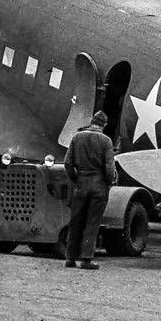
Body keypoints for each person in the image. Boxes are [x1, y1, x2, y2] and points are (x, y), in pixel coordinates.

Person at [63, 110, 118, 270]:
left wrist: (77, 179)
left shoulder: (77, 137)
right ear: (104, 125)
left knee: (75, 222)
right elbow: (109, 168)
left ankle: (70, 258)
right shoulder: (106, 141)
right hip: (99, 186)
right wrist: (108, 183)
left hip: (81, 184)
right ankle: (86, 259)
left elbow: (67, 163)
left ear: (91, 121)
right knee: (92, 223)